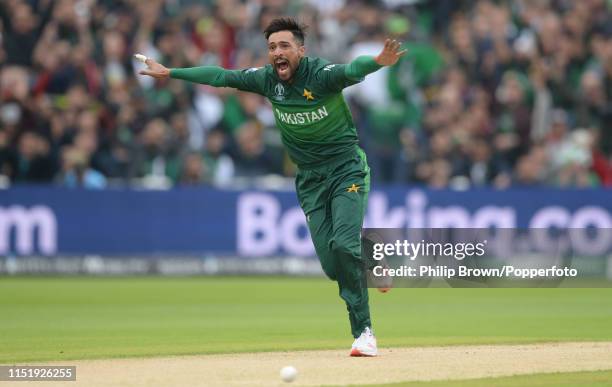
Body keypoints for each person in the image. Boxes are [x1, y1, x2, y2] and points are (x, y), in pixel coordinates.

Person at [138, 17, 405, 357]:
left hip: (346, 170)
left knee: (342, 244)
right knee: (331, 264)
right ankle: (370, 254)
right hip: (309, 179)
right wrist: (171, 72)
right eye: (272, 47)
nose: (277, 53)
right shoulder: (267, 80)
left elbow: (353, 69)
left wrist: (379, 62)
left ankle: (363, 332)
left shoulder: (321, 75)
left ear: (301, 50)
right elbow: (221, 76)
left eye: (284, 46)